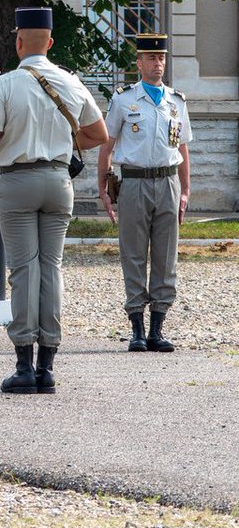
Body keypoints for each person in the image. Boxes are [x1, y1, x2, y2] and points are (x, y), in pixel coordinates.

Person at [0, 7, 108, 394]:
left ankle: (23, 364)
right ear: (50, 43)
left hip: (17, 181)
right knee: (51, 268)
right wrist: (63, 144)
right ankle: (48, 365)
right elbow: (97, 134)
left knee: (23, 270)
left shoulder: (4, 85)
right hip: (57, 179)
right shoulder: (69, 81)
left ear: (18, 43)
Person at [96, 34, 190, 353]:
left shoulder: (176, 101)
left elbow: (183, 148)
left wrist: (186, 191)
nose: (157, 64)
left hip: (167, 182)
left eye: (161, 58)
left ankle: (157, 329)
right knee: (133, 254)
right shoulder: (124, 99)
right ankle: (136, 326)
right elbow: (107, 145)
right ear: (138, 63)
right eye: (151, 58)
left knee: (165, 256)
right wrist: (104, 187)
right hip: (134, 182)